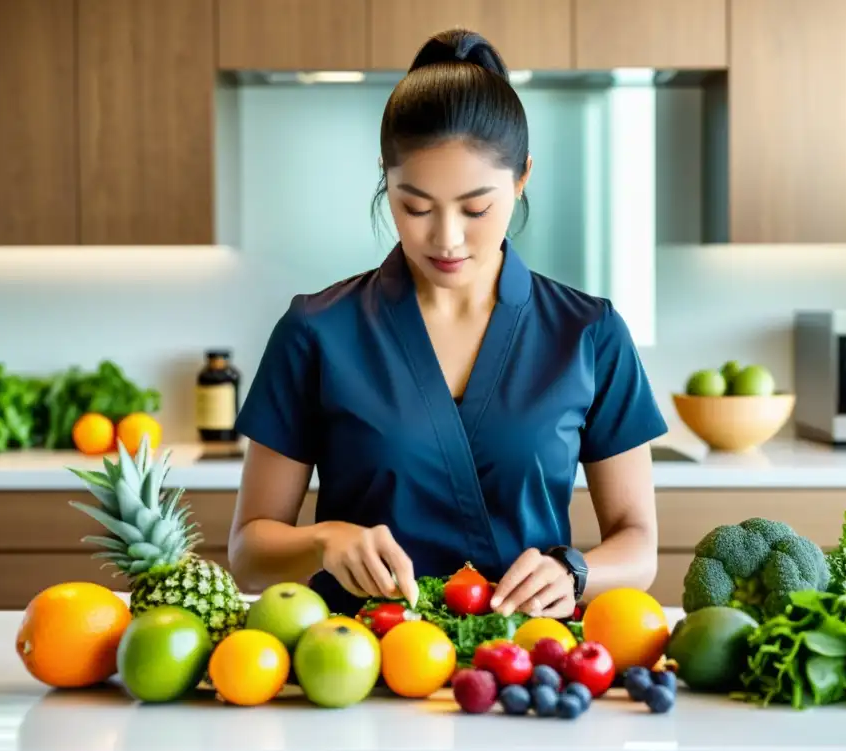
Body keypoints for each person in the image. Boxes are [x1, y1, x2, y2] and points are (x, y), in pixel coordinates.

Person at [227, 27, 668, 621]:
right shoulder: (316, 330)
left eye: (476, 207)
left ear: (522, 179)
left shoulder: (589, 333)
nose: (447, 238)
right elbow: (249, 552)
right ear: (386, 181)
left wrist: (576, 572)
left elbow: (638, 543)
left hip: (526, 673)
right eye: (414, 207)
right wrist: (324, 541)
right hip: (355, 669)